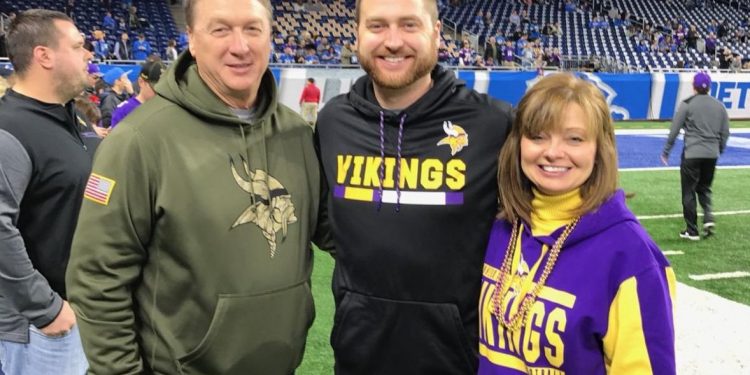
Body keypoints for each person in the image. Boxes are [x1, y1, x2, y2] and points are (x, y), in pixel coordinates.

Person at [65, 0, 321, 373]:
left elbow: (341, 230)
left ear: (270, 37)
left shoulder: (296, 132)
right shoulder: (139, 139)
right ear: (192, 41)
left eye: (253, 29)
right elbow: (97, 277)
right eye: (220, 30)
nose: (240, 45)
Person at [314, 0, 513, 373]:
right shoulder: (333, 123)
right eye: (376, 26)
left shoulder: (492, 124)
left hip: (458, 362)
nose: (392, 41)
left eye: (409, 25)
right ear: (357, 34)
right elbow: (327, 225)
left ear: (436, 33)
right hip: (359, 359)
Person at [479, 73, 676, 374]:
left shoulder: (632, 257)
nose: (553, 151)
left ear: (600, 149)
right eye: (538, 135)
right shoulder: (500, 226)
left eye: (574, 138)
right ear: (518, 144)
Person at [0, 9, 94, 374]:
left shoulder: (72, 118)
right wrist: (46, 309)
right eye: (78, 45)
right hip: (39, 327)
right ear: (44, 56)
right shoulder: (10, 128)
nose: (89, 53)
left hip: (75, 310)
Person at [661, 72, 729, 240]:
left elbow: (674, 130)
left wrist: (666, 151)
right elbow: (725, 132)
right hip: (711, 154)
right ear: (709, 86)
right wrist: (718, 149)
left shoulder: (687, 104)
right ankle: (708, 217)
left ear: (694, 86)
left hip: (692, 153)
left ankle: (692, 230)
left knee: (689, 191)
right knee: (705, 188)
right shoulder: (720, 106)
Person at [110, 59, 165, 128]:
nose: (159, 92)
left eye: (163, 88)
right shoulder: (124, 111)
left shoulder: (166, 110)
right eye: (155, 88)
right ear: (141, 82)